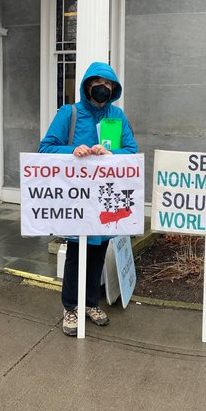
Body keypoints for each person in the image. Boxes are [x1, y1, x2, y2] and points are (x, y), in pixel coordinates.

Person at [39, 62, 138, 336]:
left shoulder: (117, 116)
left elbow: (131, 150)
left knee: (97, 253)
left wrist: (111, 155)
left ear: (114, 89)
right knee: (75, 254)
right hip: (77, 199)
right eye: (98, 83)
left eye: (108, 85)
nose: (102, 88)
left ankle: (90, 303)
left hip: (105, 198)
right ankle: (70, 307)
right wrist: (74, 150)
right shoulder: (68, 114)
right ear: (86, 86)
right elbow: (45, 148)